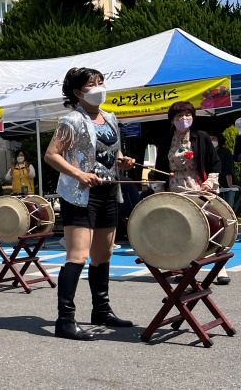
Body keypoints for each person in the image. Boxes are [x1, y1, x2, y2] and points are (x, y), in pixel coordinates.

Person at [44, 67, 136, 341]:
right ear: (77, 92)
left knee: (103, 254)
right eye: (91, 84)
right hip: (79, 195)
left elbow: (111, 150)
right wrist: (80, 174)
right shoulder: (70, 120)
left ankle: (102, 310)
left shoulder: (110, 117)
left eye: (100, 82)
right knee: (78, 256)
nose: (99, 88)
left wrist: (122, 160)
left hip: (109, 191)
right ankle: (65, 319)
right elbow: (51, 155)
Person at [154, 101, 227, 284]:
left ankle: (220, 267)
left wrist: (210, 182)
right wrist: (159, 191)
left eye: (188, 115)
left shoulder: (201, 137)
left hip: (199, 186)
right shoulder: (165, 141)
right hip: (175, 188)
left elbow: (215, 163)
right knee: (181, 228)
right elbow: (159, 169)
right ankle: (185, 266)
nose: (184, 119)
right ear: (172, 120)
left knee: (212, 224)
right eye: (180, 116)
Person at [211, 133, 238, 211]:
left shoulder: (225, 152)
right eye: (209, 139)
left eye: (213, 138)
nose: (211, 141)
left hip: (224, 182)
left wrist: (230, 184)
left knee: (227, 208)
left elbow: (228, 169)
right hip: (209, 184)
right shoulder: (205, 152)